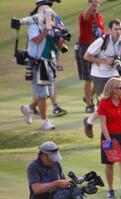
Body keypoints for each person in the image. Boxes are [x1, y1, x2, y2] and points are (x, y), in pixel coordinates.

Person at [20, 0, 64, 130]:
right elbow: (37, 40)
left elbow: (58, 47)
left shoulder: (52, 27)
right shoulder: (33, 25)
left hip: (48, 63)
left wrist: (60, 38)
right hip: (36, 63)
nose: (49, 17)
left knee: (48, 92)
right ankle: (45, 121)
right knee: (42, 94)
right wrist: (47, 29)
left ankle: (29, 109)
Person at [83, 19, 121, 138]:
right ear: (109, 30)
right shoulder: (101, 41)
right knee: (105, 103)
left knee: (118, 101)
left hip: (115, 74)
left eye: (120, 29)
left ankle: (90, 121)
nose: (118, 32)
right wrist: (104, 61)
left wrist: (120, 63)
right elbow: (86, 56)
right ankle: (99, 128)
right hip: (100, 75)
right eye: (116, 29)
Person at [75, 0, 105, 113]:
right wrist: (92, 6)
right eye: (93, 2)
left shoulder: (100, 17)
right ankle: (89, 104)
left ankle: (89, 96)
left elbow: (102, 33)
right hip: (85, 48)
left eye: (97, 2)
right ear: (89, 3)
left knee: (100, 77)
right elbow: (85, 17)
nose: (96, 4)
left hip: (97, 50)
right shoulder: (84, 15)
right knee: (88, 79)